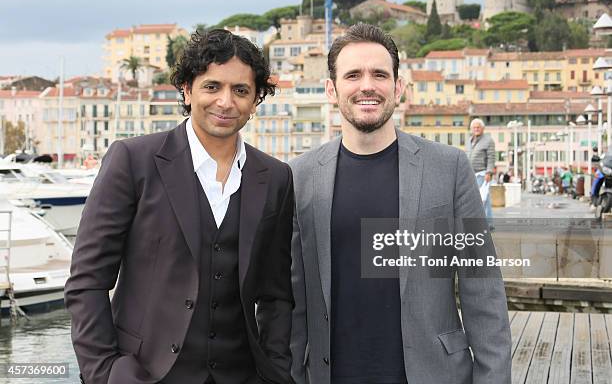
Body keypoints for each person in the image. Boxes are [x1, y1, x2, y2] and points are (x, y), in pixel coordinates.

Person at [65, 29, 295, 384]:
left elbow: (276, 295)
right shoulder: (133, 161)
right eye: (212, 86)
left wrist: (276, 372)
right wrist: (106, 372)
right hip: (142, 374)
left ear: (255, 100)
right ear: (187, 90)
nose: (225, 102)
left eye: (241, 91)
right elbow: (87, 280)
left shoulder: (276, 177)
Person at [289, 24, 511, 384]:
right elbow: (292, 302)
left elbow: (482, 290)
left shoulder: (451, 168)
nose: (367, 86)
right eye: (353, 75)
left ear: (398, 87)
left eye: (379, 74)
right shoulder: (298, 177)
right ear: (331, 89)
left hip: (435, 373)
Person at [465, 118, 496, 219]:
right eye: (474, 127)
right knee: (474, 200)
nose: (476, 129)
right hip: (471, 174)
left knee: (484, 199)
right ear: (471, 129)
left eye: (478, 127)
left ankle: (488, 223)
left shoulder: (488, 140)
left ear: (483, 128)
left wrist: (489, 172)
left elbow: (491, 157)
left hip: (482, 174)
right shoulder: (469, 140)